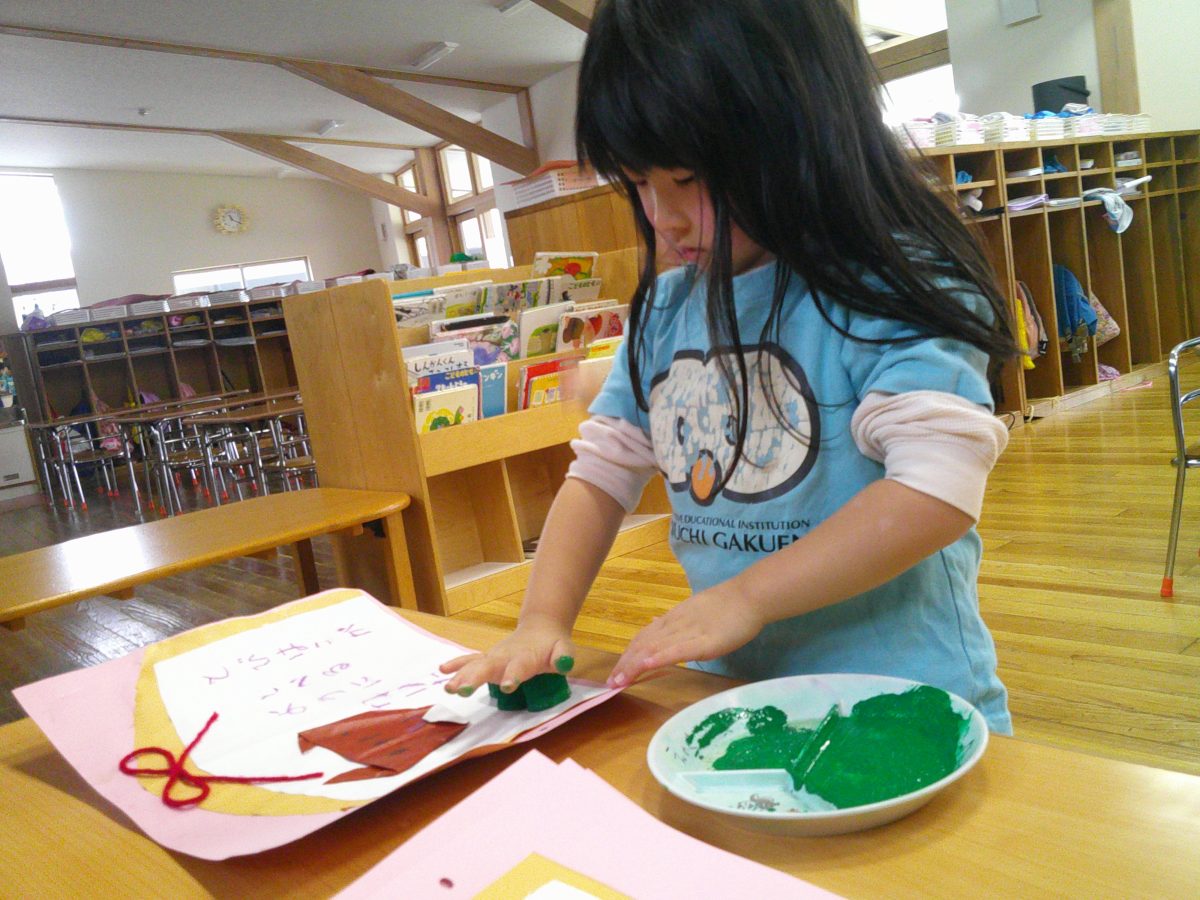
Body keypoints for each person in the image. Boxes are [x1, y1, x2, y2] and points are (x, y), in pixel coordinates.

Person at [441, 0, 1018, 733]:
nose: (663, 217)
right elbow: (599, 477)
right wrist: (540, 620)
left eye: (687, 178)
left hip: (908, 705)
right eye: (638, 183)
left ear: (804, 133)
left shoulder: (892, 285)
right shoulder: (664, 308)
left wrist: (746, 597)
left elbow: (934, 493)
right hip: (745, 704)